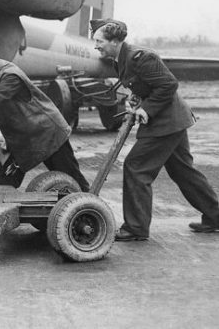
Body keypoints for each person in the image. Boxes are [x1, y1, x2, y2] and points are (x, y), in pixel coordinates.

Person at [91, 19, 219, 240]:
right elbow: (146, 85)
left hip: (166, 123)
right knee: (183, 172)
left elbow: (168, 84)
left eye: (99, 41)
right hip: (171, 121)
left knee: (136, 167)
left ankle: (136, 228)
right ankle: (216, 216)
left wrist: (147, 109)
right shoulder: (119, 59)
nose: (96, 46)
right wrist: (135, 99)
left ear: (114, 40)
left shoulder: (141, 57)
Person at [0, 39, 90, 191]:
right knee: (2, 180)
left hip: (47, 134)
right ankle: (2, 209)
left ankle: (91, 209)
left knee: (72, 180)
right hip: (21, 139)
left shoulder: (10, 75)